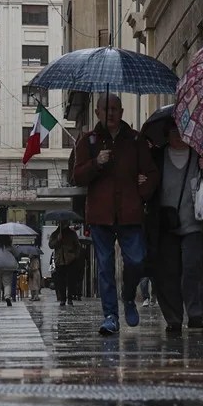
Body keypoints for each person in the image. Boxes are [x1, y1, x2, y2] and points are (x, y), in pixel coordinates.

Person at [73, 93, 160, 335]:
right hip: (100, 216)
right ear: (97, 112)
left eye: (114, 109)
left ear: (121, 112)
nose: (110, 113)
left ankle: (129, 295)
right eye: (105, 109)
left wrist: (141, 191)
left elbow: (152, 174)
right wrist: (96, 163)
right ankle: (110, 315)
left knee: (137, 260)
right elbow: (77, 176)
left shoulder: (135, 140)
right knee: (105, 267)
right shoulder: (88, 141)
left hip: (130, 214)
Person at [147, 121, 203, 333]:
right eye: (174, 132)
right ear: (167, 135)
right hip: (165, 224)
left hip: (194, 222)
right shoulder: (157, 157)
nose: (179, 137)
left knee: (192, 268)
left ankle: (195, 314)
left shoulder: (199, 156)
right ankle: (173, 318)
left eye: (183, 132)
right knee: (168, 273)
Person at [49, 219, 82, 306]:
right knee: (61, 281)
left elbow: (78, 246)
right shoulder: (55, 233)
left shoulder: (72, 234)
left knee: (71, 280)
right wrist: (58, 240)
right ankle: (62, 299)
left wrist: (75, 256)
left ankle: (70, 298)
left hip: (70, 260)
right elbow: (51, 245)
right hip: (59, 260)